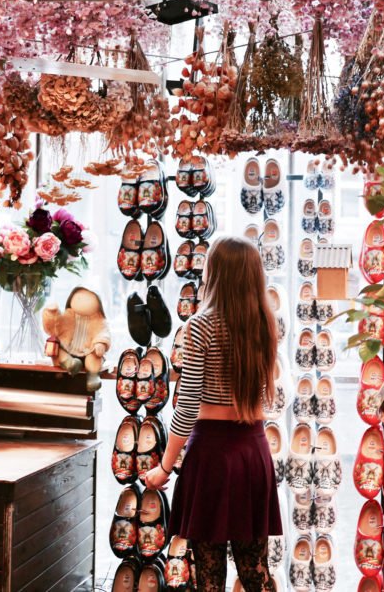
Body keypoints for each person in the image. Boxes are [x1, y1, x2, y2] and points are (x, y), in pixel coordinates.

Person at [145, 236, 282, 592]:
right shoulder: (265, 325)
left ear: (215, 273)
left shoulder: (201, 326)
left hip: (212, 457)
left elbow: (187, 405)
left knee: (209, 574)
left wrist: (164, 467)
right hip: (253, 451)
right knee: (255, 569)